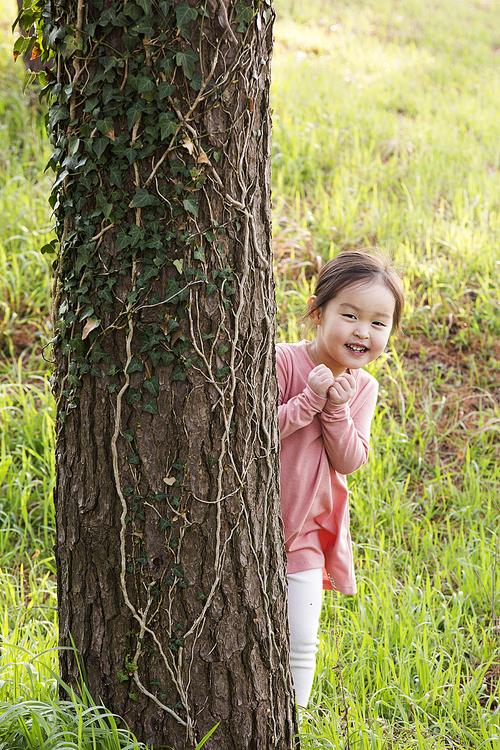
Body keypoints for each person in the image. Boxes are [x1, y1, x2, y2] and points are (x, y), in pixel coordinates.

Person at [277, 249, 405, 708]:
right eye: (349, 315)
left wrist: (336, 408)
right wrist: (309, 399)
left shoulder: (364, 387)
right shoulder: (283, 362)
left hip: (310, 530)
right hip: (254, 520)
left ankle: (292, 721)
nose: (362, 331)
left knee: (301, 642)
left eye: (378, 322)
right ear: (317, 311)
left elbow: (350, 459)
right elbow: (255, 434)